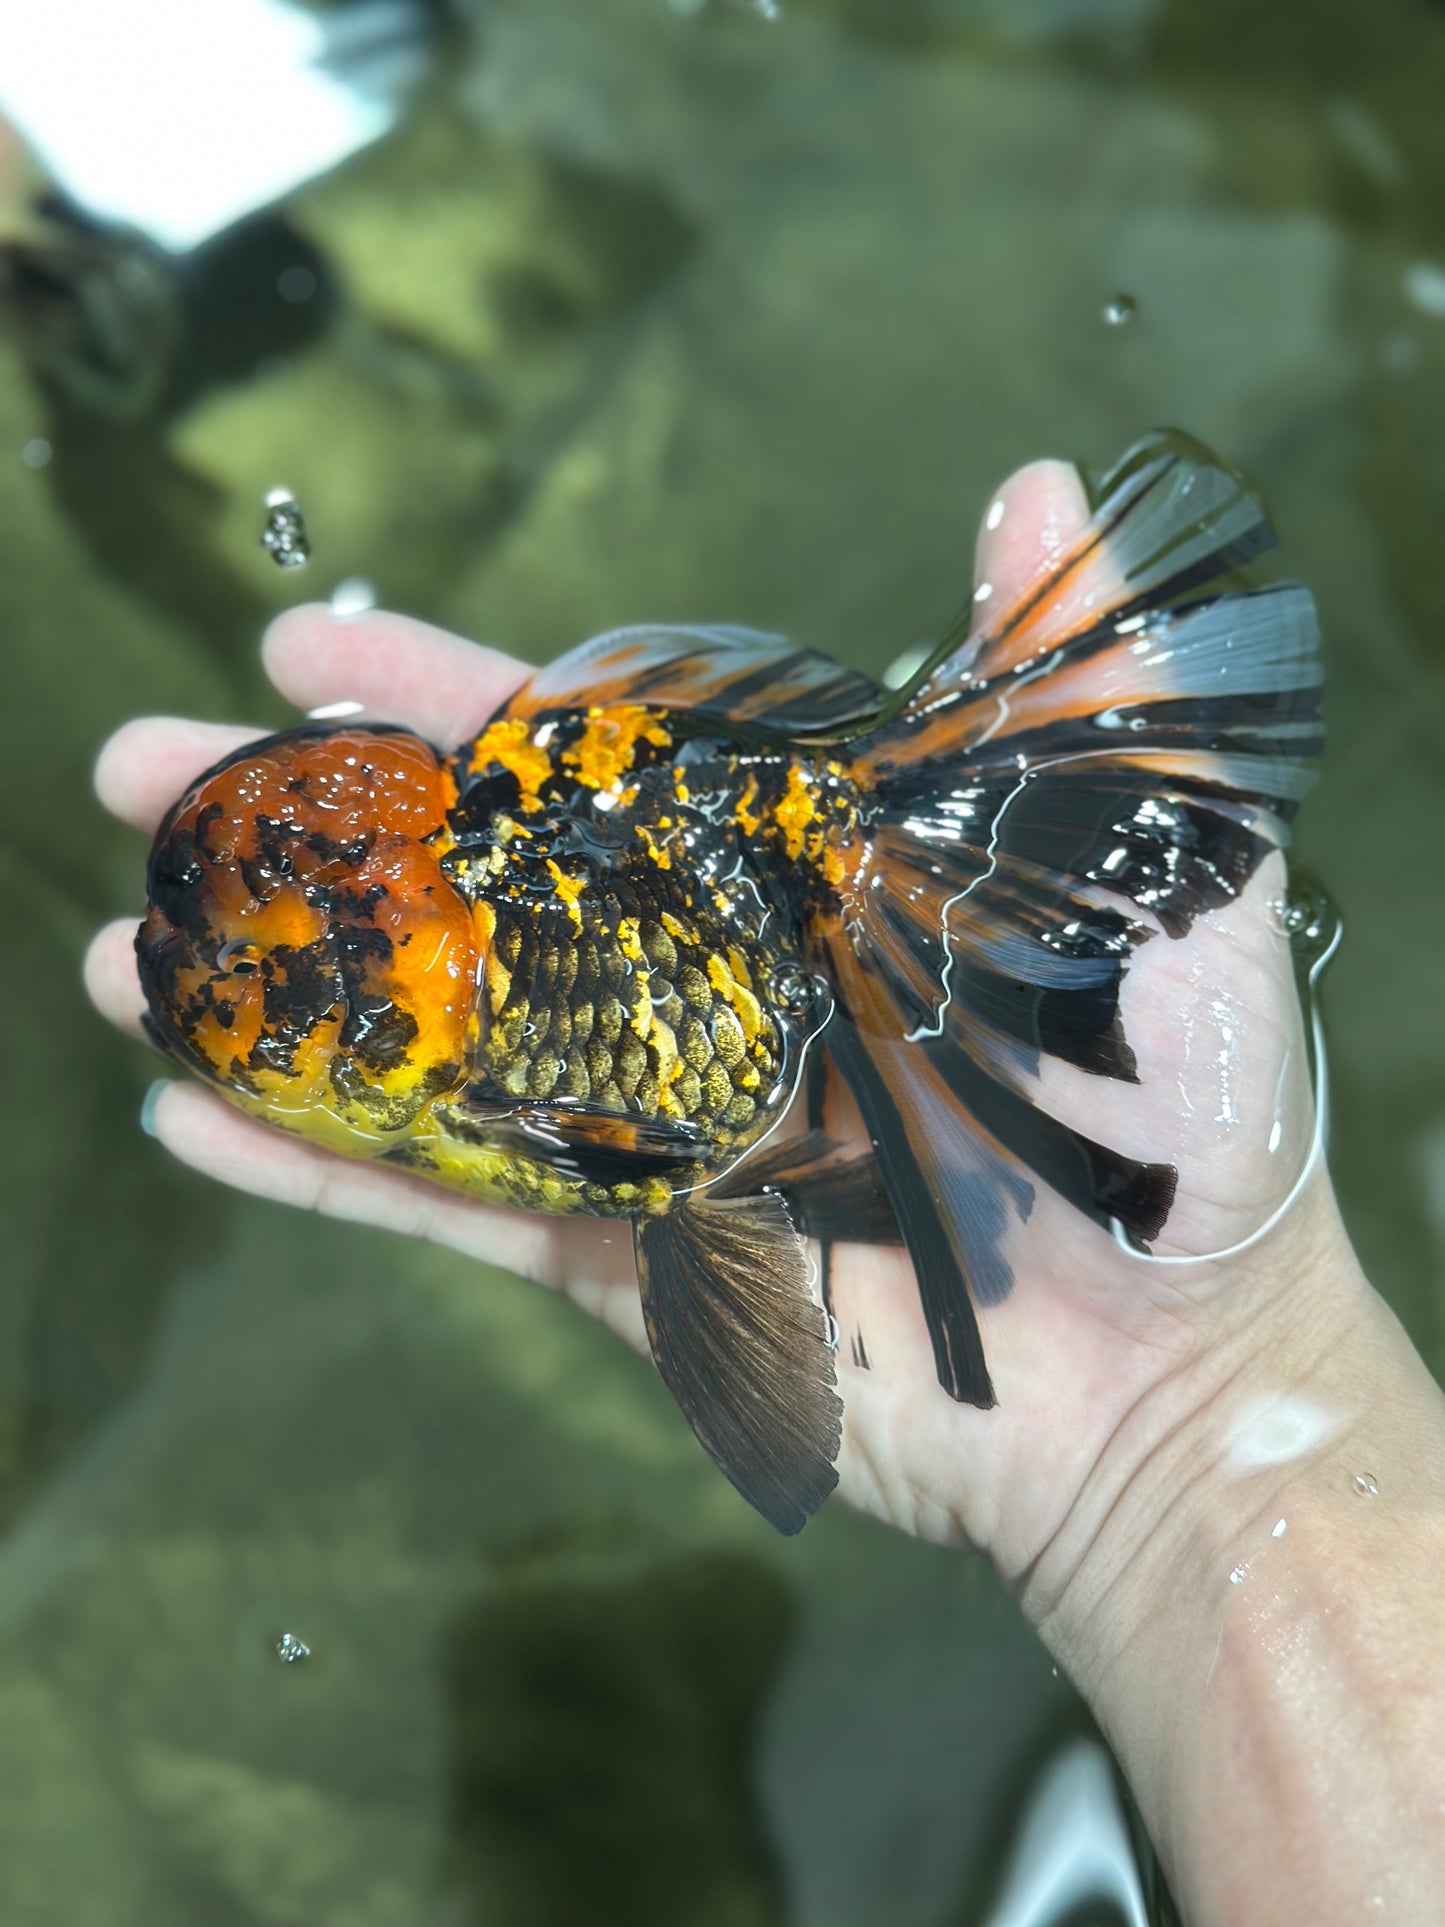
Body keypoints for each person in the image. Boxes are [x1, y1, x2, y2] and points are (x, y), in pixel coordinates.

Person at [84, 460, 1445, 1926]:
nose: (203, 967)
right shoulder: (426, 986)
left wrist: (1189, 1403)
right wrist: (1192, 1442)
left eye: (265, 991)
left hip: (728, 855)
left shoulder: (480, 1033)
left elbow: (647, 1170)